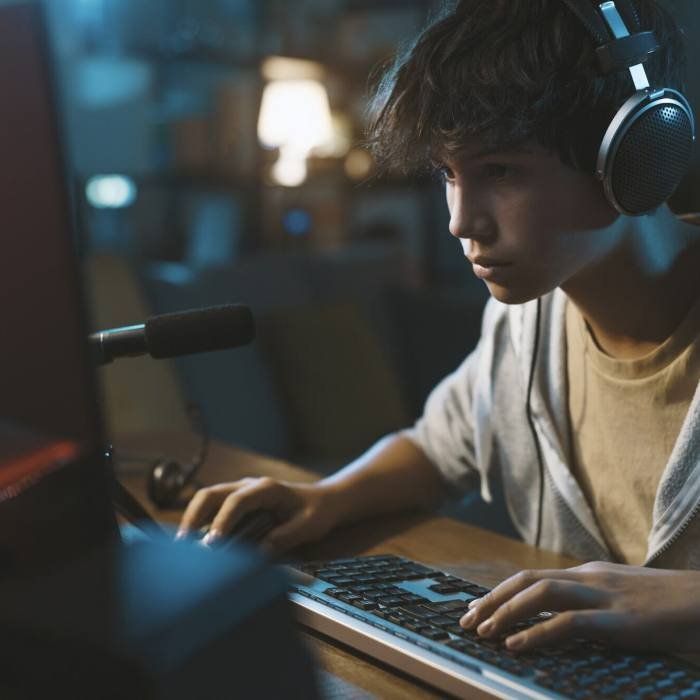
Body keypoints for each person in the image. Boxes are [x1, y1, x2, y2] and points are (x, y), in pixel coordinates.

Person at [177, 0, 700, 653]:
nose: (460, 221)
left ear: (636, 153)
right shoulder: (528, 325)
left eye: (500, 171)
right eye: (450, 175)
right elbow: (436, 448)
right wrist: (328, 498)